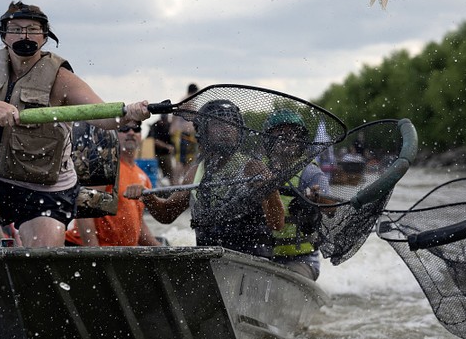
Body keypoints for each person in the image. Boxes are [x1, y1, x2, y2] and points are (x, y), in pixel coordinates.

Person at [0, 2, 150, 253]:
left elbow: (103, 118)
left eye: (32, 29)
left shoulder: (61, 79)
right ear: (3, 36)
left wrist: (130, 114)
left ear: (45, 37)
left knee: (40, 264)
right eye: (16, 29)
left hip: (44, 194)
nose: (24, 35)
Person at [130, 99, 285, 257]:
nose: (226, 129)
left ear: (239, 131)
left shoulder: (253, 168)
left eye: (232, 123)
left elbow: (277, 224)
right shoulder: (196, 172)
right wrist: (147, 196)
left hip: (251, 263)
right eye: (218, 123)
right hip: (210, 263)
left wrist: (269, 190)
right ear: (202, 130)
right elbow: (167, 215)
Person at [65, 121, 162, 247]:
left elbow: (138, 222)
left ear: (140, 135)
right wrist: (94, 253)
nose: (131, 133)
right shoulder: (105, 167)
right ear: (115, 134)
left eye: (136, 128)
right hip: (85, 250)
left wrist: (162, 250)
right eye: (124, 128)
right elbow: (84, 208)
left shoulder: (143, 177)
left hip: (118, 256)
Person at [262, 109, 330, 280]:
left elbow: (330, 208)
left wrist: (313, 202)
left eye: (292, 134)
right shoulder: (257, 170)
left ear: (301, 141)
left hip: (301, 260)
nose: (286, 139)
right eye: (280, 134)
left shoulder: (312, 174)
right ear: (268, 140)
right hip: (261, 254)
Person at [169, 83, 199, 182]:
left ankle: (185, 182)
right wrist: (173, 126)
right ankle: (176, 183)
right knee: (180, 160)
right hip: (182, 134)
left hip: (189, 134)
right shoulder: (186, 99)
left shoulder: (191, 101)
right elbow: (175, 113)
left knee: (189, 160)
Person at [149, 114, 175, 184]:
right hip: (155, 155)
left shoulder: (169, 125)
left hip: (166, 155)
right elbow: (154, 140)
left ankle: (173, 190)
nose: (164, 122)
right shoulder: (155, 126)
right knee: (155, 175)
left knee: (170, 175)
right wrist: (167, 146)